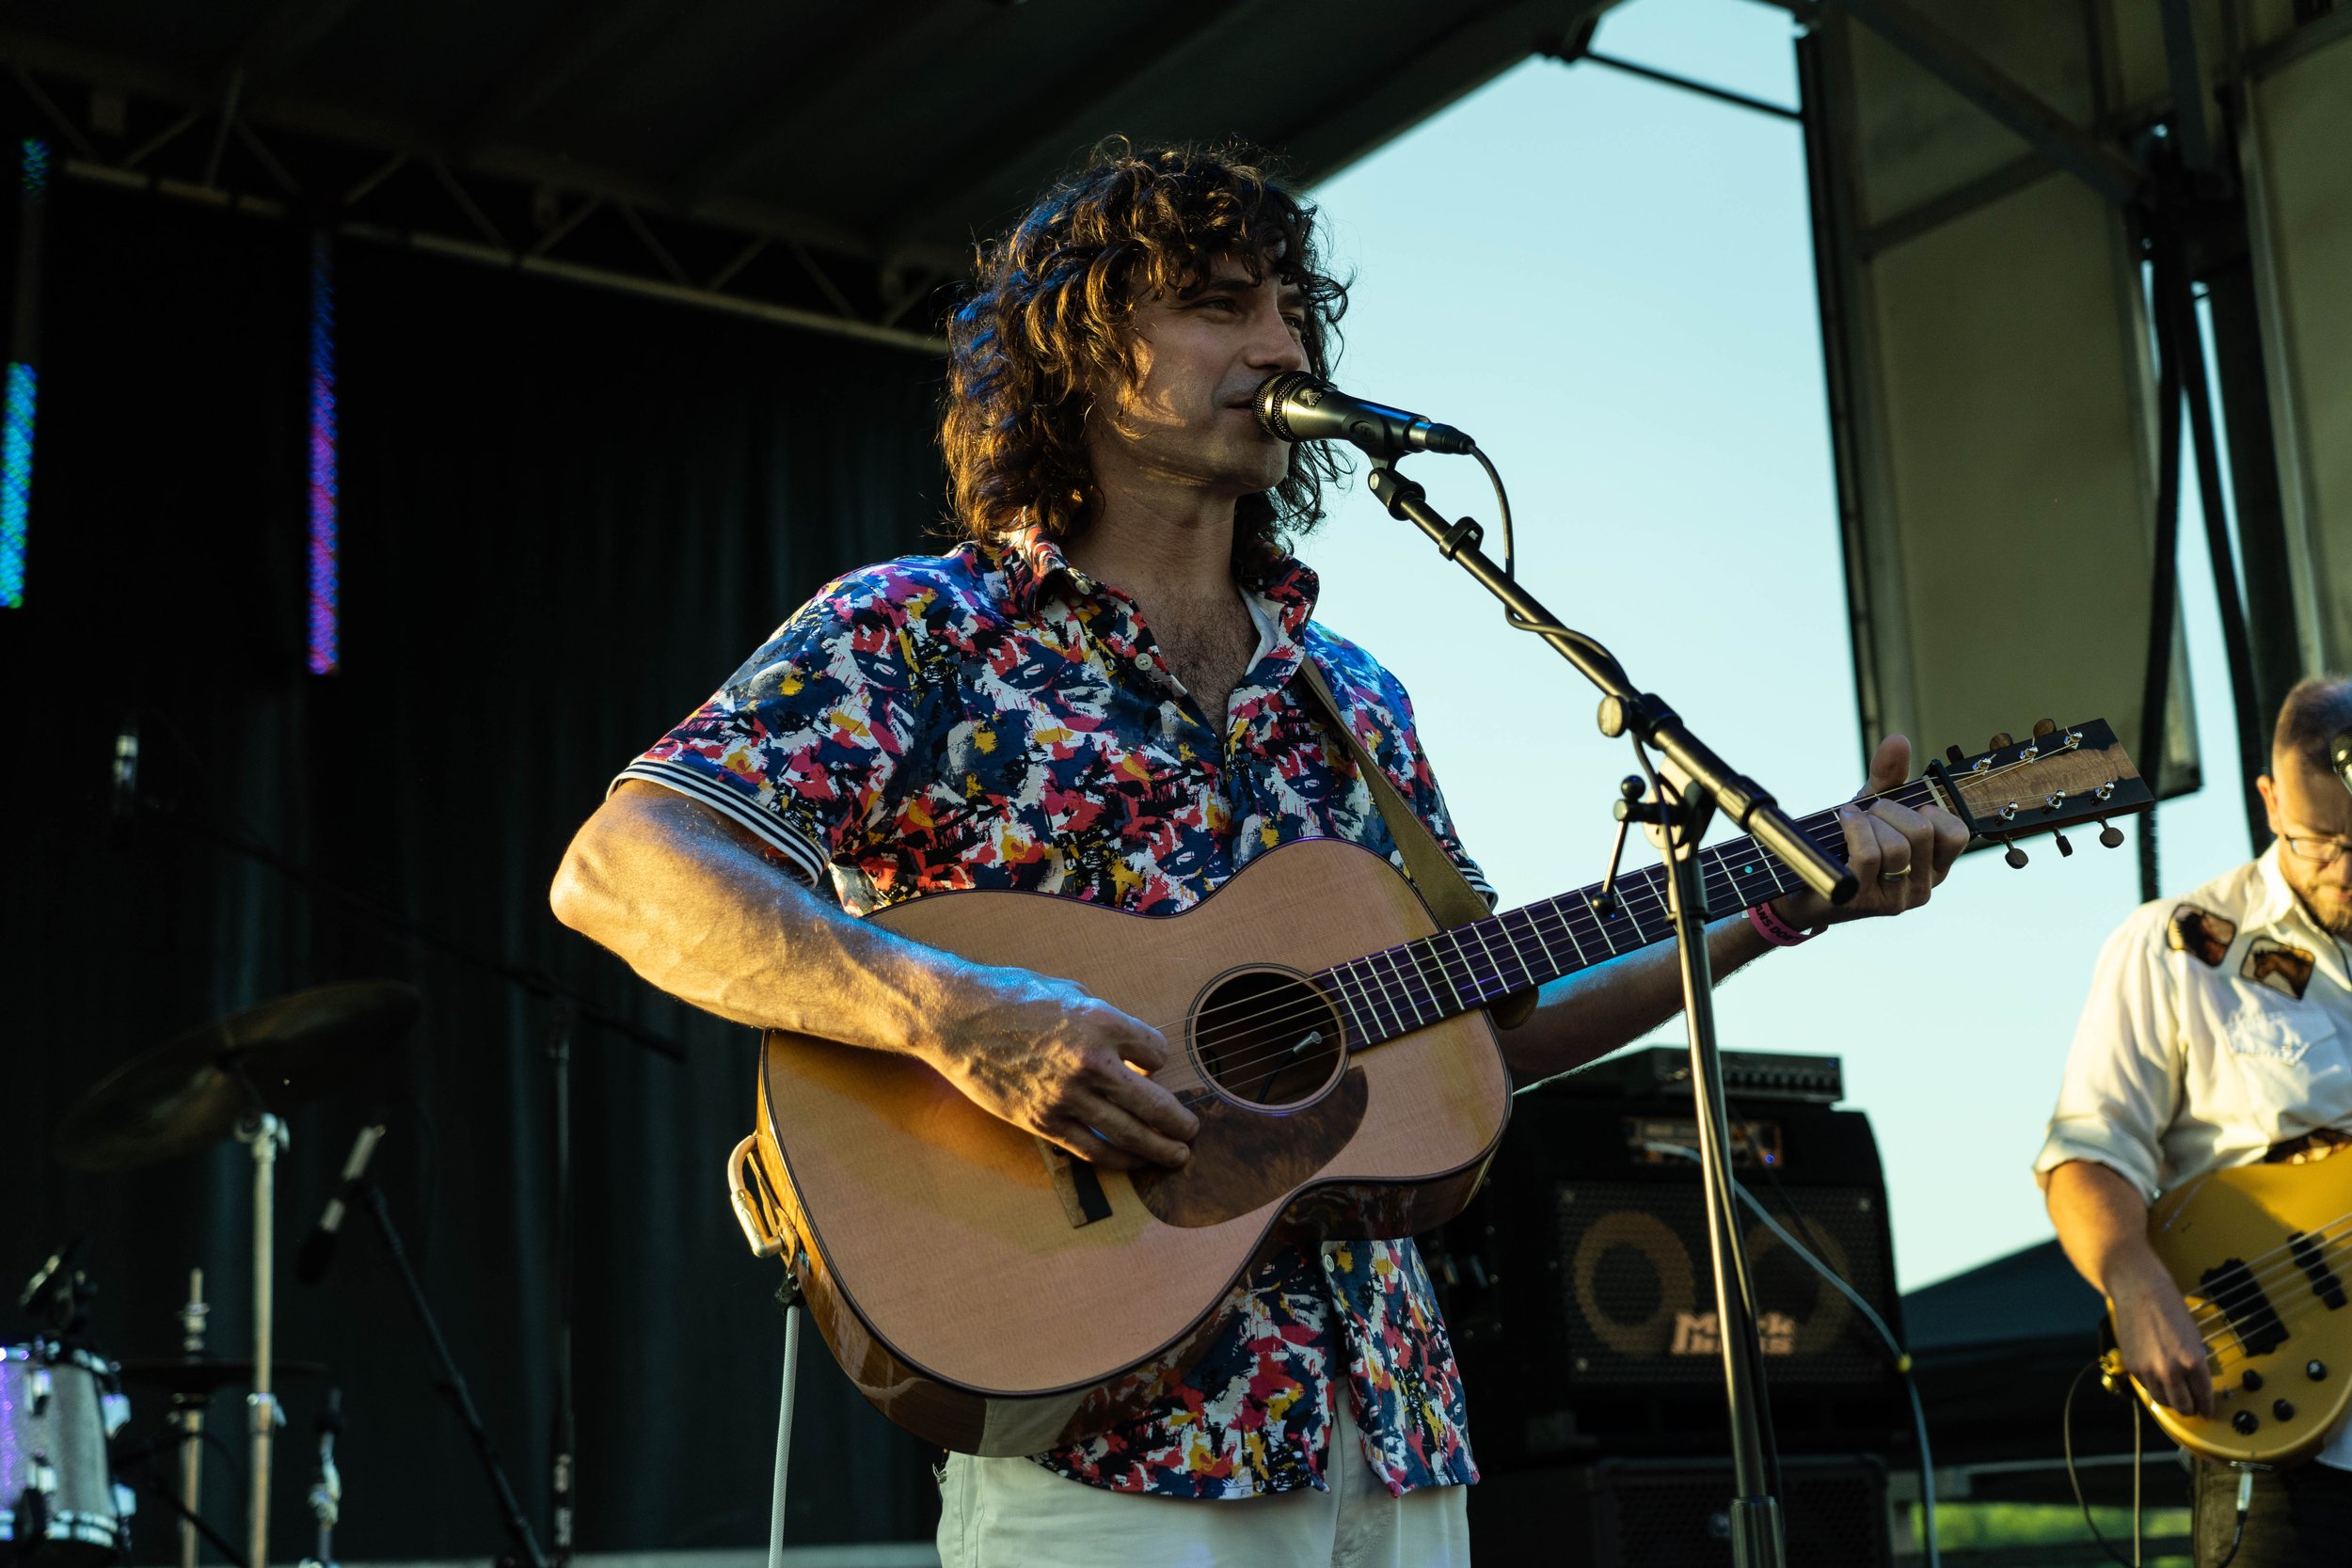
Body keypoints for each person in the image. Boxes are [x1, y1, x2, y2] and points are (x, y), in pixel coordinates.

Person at [551, 143, 1964, 1568]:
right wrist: (963, 1015)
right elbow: (623, 862)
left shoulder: (1352, 693)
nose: (1283, 342)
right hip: (1110, 1454)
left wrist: (1779, 904)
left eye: (1292, 307)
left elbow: (1474, 1040)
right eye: (1223, 304)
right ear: (1083, 356)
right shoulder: (921, 630)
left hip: (1399, 1444)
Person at [2039, 675, 2352, 1566]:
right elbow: (2087, 1152)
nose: (2346, 870)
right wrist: (2133, 1279)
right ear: (2269, 798)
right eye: (2320, 841)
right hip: (2292, 1443)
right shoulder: (2177, 942)